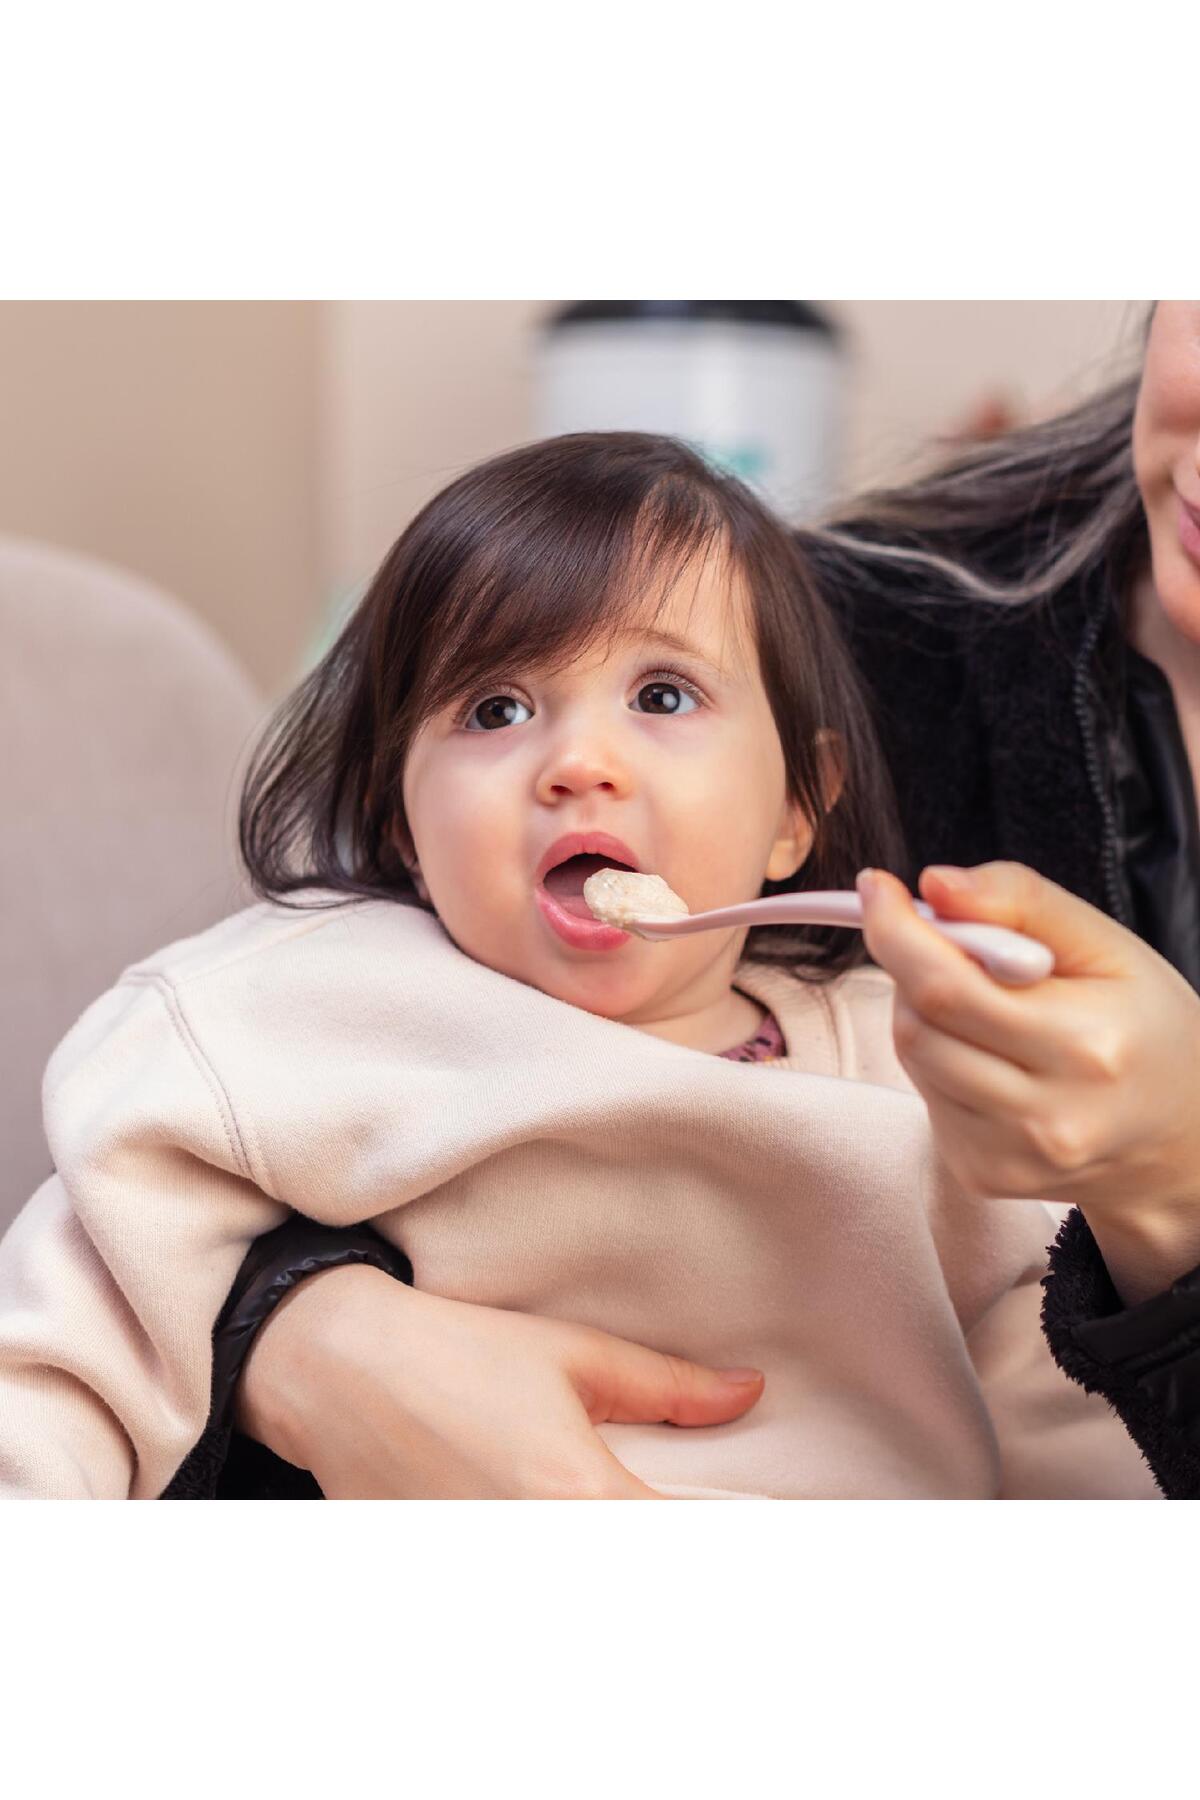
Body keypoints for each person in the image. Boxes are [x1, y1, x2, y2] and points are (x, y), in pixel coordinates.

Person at [0, 429, 1160, 1499]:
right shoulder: (286, 1017)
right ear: (402, 819)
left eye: (662, 695)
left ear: (796, 814)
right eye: (496, 709)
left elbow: (1076, 1427)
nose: (578, 762)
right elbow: (65, 1357)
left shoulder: (916, 1074)